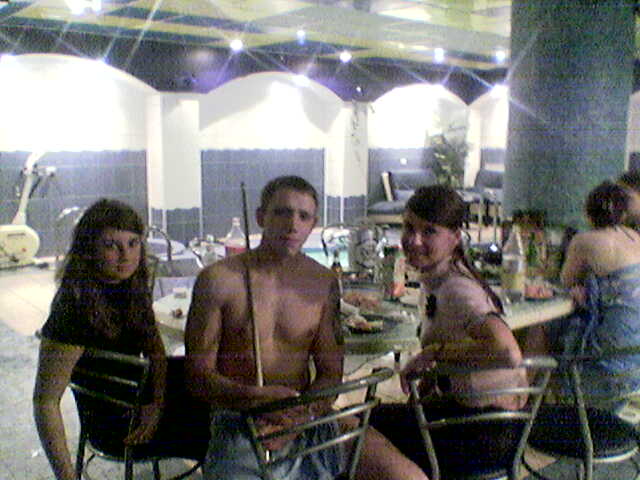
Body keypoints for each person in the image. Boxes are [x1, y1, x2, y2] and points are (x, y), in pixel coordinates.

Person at [184, 175, 427, 480]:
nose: (292, 225)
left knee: (409, 477)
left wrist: (301, 417)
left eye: (303, 216)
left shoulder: (323, 282)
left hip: (309, 415)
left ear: (314, 224)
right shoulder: (218, 280)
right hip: (242, 420)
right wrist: (252, 397)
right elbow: (197, 376)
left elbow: (330, 373)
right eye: (282, 212)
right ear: (260, 217)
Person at [368, 184, 525, 476]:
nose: (414, 240)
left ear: (455, 237)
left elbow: (508, 353)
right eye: (408, 227)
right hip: (492, 426)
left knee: (359, 429)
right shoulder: (441, 279)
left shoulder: (456, 289)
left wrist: (433, 354)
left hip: (483, 434)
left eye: (429, 231)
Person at [33, 199, 167, 480]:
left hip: (144, 405)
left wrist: (156, 403)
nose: (126, 255)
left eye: (133, 243)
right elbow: (45, 401)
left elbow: (156, 350)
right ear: (89, 249)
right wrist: (67, 477)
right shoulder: (73, 309)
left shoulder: (130, 288)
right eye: (111, 245)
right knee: (217, 421)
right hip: (114, 428)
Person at [555, 181, 640, 410]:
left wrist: (584, 286)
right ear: (623, 213)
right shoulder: (635, 237)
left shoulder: (584, 241)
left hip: (607, 363)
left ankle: (529, 401)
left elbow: (565, 282)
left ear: (588, 211)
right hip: (635, 362)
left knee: (545, 328)